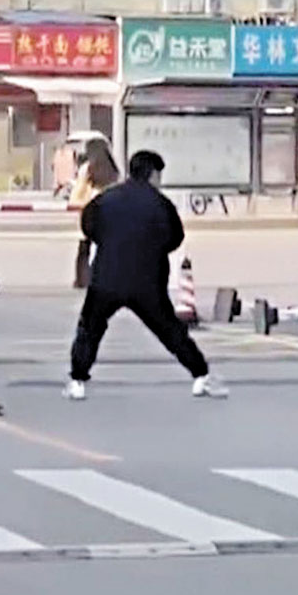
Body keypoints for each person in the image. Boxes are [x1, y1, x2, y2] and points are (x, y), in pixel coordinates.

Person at [64, 150, 228, 401]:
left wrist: (110, 243)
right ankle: (200, 375)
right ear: (153, 174)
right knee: (170, 331)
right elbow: (175, 237)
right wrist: (152, 249)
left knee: (90, 327)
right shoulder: (161, 204)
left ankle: (77, 380)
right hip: (147, 281)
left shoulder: (106, 199)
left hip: (107, 278)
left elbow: (88, 225)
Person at [70, 138, 120, 288]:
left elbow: (78, 193)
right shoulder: (113, 168)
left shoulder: (88, 168)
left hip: (92, 209)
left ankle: (83, 280)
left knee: (84, 248)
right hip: (111, 210)